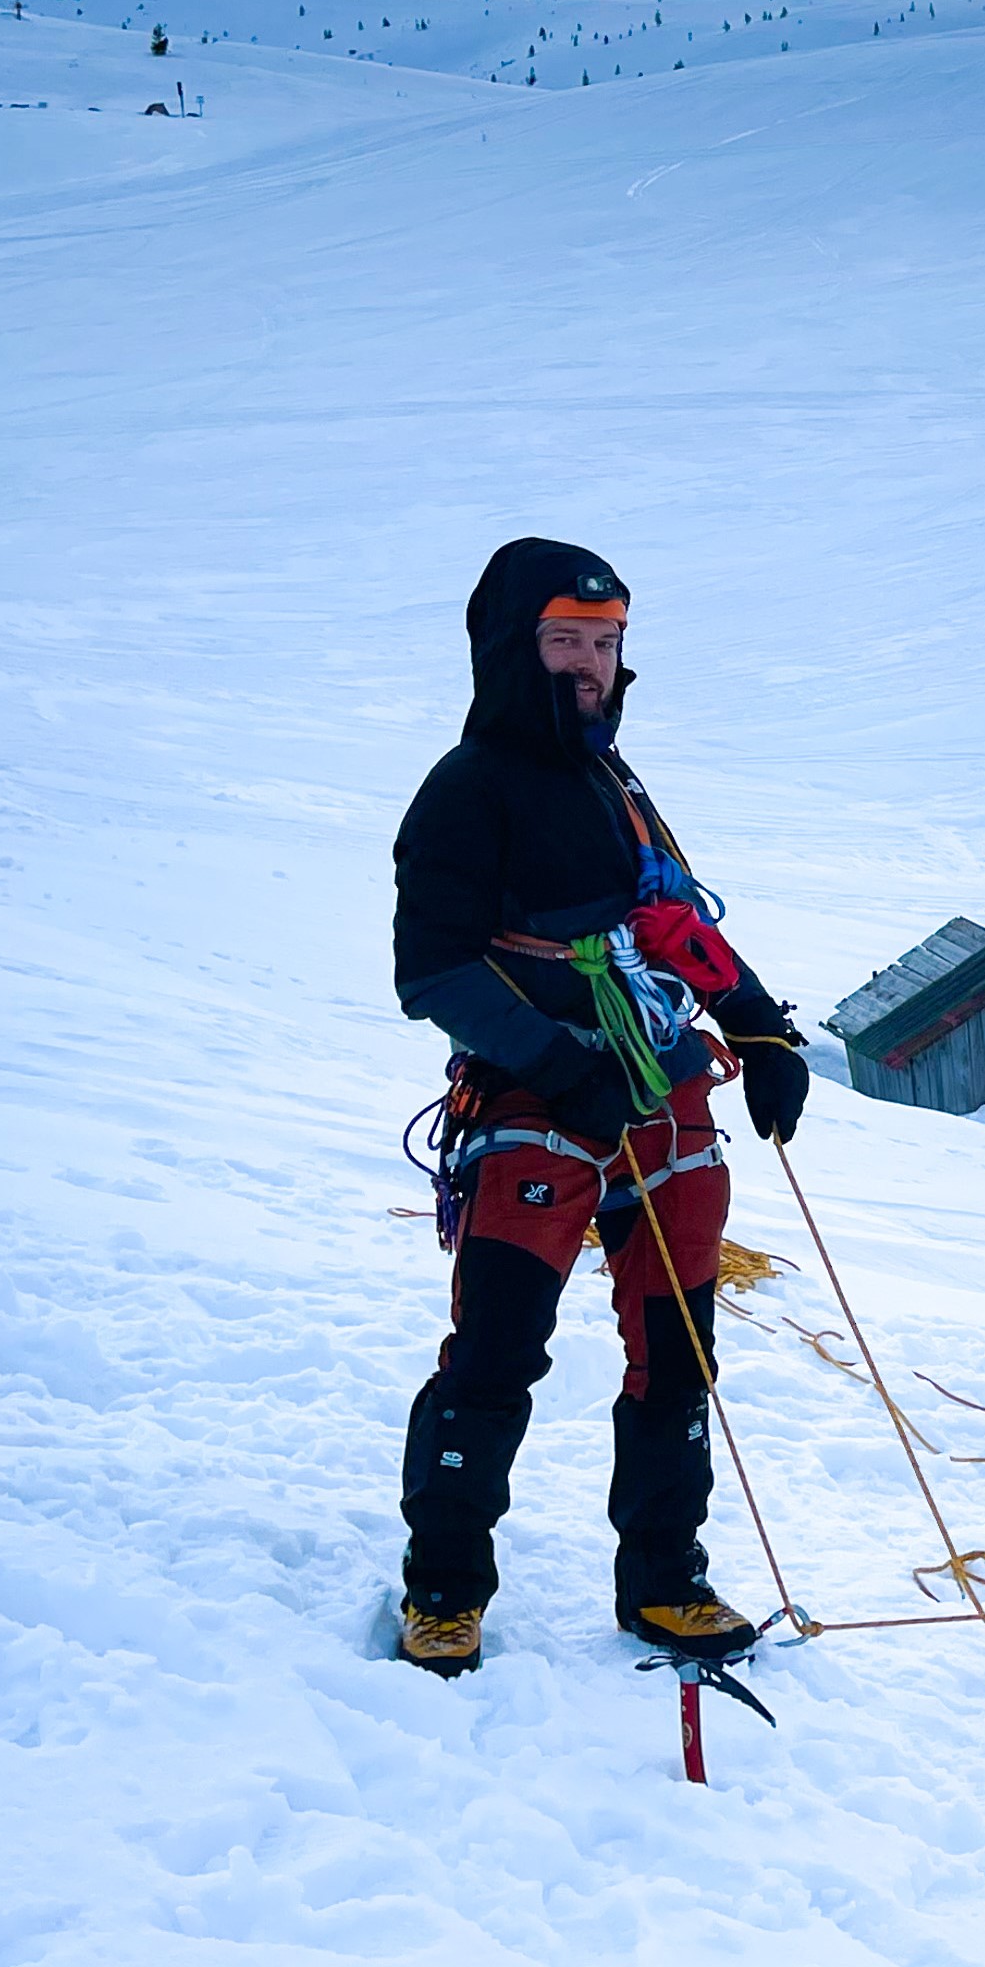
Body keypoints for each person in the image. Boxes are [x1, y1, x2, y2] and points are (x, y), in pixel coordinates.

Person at [385, 538, 816, 1677]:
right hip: (538, 1100)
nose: (589, 664)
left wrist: (762, 1023)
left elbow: (673, 923)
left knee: (678, 1349)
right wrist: (559, 1059)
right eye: (566, 640)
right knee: (497, 1350)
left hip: (661, 1094)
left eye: (607, 642)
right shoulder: (466, 790)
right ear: (511, 647)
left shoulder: (617, 783)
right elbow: (432, 968)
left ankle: (666, 1581)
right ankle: (444, 1588)